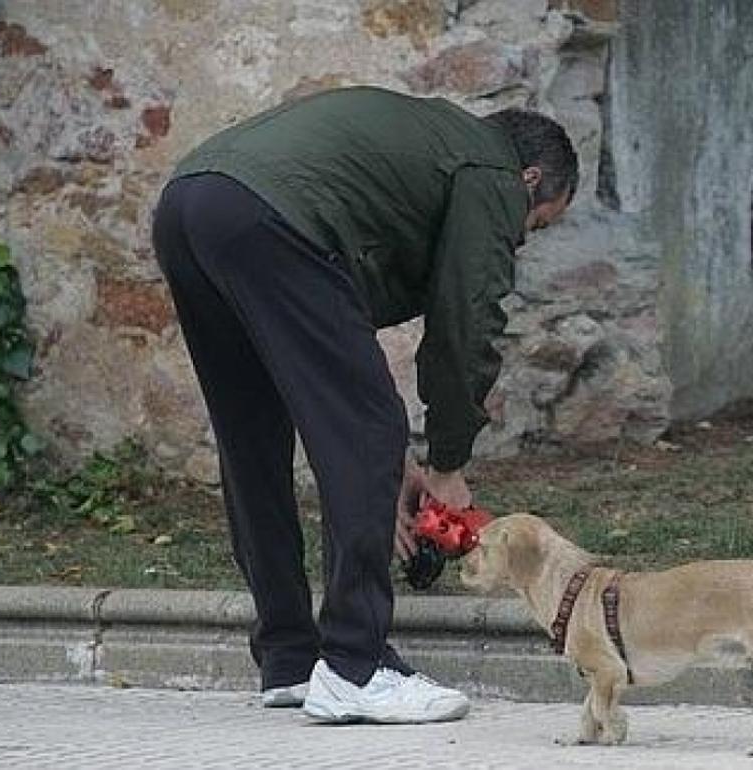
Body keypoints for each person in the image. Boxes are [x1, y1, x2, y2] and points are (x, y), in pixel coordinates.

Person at [150, 86, 577, 724]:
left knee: (253, 437)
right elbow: (466, 321)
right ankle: (355, 665)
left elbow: (335, 338)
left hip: (191, 205)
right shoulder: (492, 173)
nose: (522, 238)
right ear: (532, 178)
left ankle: (291, 658)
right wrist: (447, 464)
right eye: (535, 224)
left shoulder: (434, 144)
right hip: (272, 218)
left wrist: (389, 459)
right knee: (371, 429)